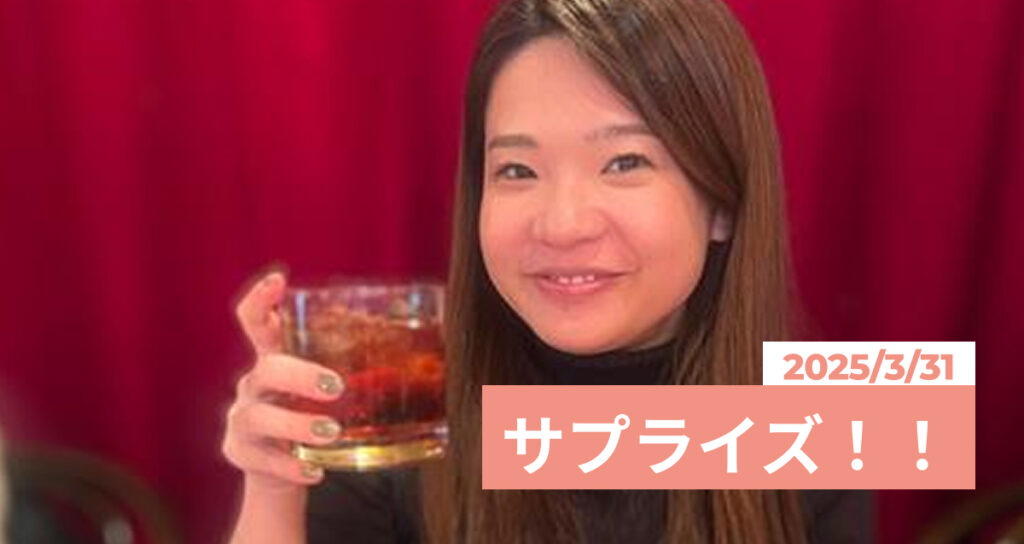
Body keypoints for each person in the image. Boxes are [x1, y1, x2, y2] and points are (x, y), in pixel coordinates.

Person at [223, 0, 873, 542]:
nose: (562, 225)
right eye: (517, 170)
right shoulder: (400, 406)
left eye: (625, 163)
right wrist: (274, 488)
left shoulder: (825, 426)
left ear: (722, 203)